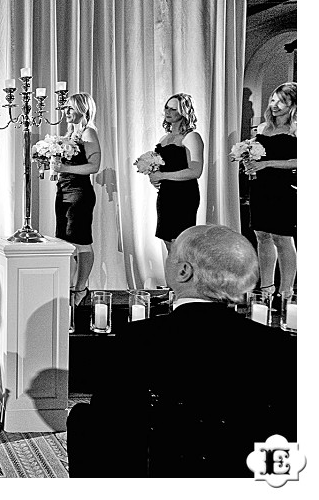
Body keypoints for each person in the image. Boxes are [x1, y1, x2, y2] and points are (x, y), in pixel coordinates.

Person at [66, 225, 296, 477]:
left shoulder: (138, 340)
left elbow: (110, 431)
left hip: (163, 473)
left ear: (184, 271)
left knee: (82, 419)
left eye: (171, 254)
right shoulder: (281, 346)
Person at [244, 82, 296, 299]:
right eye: (273, 100)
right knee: (262, 235)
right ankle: (266, 289)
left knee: (282, 238)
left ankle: (286, 292)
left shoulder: (297, 128)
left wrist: (267, 164)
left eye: (281, 101)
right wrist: (247, 161)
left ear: (293, 104)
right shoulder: (264, 127)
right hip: (260, 186)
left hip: (283, 188)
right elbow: (257, 154)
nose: (274, 105)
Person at [51, 93, 101, 303]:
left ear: (83, 109)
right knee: (64, 240)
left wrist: (64, 167)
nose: (66, 112)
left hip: (79, 193)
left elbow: (94, 166)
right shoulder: (69, 134)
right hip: (63, 190)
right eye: (65, 108)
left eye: (71, 108)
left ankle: (80, 288)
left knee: (80, 242)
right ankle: (68, 285)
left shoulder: (88, 133)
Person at [150, 93, 203, 253]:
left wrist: (163, 176)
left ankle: (185, 277)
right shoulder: (163, 138)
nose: (168, 112)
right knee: (168, 242)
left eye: (173, 109)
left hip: (184, 195)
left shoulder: (191, 137)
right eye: (167, 107)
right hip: (166, 194)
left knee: (180, 243)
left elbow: (195, 171)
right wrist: (153, 177)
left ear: (184, 112)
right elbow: (161, 167)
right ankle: (173, 277)